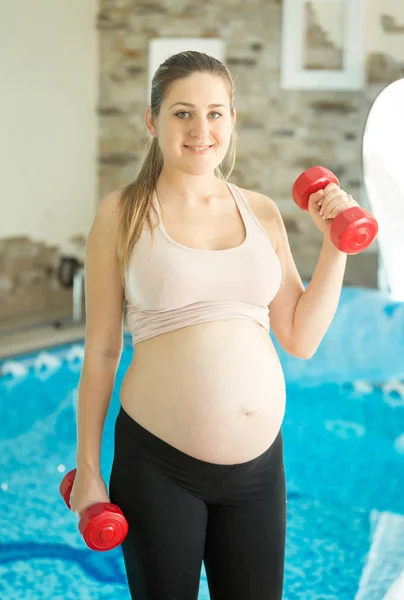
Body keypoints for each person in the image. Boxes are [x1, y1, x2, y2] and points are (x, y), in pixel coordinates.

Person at [70, 50, 356, 599]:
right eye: (182, 113)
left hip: (258, 472)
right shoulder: (122, 213)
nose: (201, 129)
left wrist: (335, 245)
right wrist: (88, 466)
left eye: (216, 113)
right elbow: (102, 350)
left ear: (232, 119)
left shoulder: (262, 211)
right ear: (153, 121)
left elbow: (299, 335)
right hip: (158, 466)